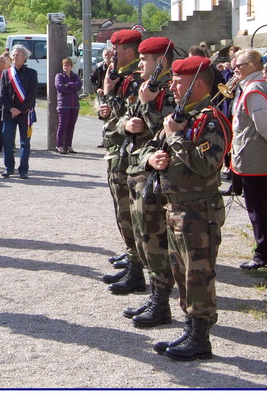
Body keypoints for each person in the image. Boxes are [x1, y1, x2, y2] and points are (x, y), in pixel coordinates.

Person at [138, 56, 231, 361]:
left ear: (198, 85)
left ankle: (201, 336)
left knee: (198, 275)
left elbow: (207, 165)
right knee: (182, 273)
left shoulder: (209, 120)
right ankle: (191, 328)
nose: (172, 86)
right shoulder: (181, 115)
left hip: (198, 210)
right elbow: (149, 147)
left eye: (179, 82)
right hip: (175, 208)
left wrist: (177, 136)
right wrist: (152, 159)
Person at [118, 37, 177, 325]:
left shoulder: (167, 94)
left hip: (155, 177)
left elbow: (167, 135)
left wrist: (149, 106)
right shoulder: (147, 90)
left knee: (155, 241)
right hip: (136, 170)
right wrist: (127, 124)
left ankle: (162, 301)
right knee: (143, 239)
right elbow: (125, 119)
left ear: (160, 63)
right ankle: (155, 295)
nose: (140, 63)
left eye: (146, 59)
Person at [97, 29, 144, 289]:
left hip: (127, 153)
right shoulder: (122, 77)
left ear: (127, 50)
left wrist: (109, 94)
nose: (113, 54)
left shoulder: (135, 80)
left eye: (116, 49)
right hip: (118, 150)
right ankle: (132, 258)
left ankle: (136, 268)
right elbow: (111, 114)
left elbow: (127, 117)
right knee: (123, 211)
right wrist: (104, 100)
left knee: (130, 213)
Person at [229, 49, 267, 270]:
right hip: (251, 156)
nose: (235, 69)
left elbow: (265, 125)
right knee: (258, 207)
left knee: (258, 209)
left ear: (253, 66)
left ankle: (263, 254)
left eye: (240, 65)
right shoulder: (250, 87)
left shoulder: (253, 90)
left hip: (255, 158)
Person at [0, 44, 38, 179]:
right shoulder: (6, 73)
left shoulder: (32, 73)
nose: (14, 57)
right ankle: (8, 168)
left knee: (24, 143)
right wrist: (11, 108)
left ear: (24, 58)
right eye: (13, 54)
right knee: (7, 141)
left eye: (18, 55)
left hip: (25, 114)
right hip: (9, 113)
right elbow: (2, 94)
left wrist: (20, 110)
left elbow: (32, 95)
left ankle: (23, 170)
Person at [54, 57, 83, 154]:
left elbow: (79, 85)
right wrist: (72, 87)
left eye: (68, 65)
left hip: (74, 104)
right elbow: (60, 88)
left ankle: (68, 145)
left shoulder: (75, 76)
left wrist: (68, 85)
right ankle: (59, 145)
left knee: (71, 126)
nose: (66, 67)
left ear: (71, 66)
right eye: (64, 65)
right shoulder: (59, 76)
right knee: (63, 125)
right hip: (63, 104)